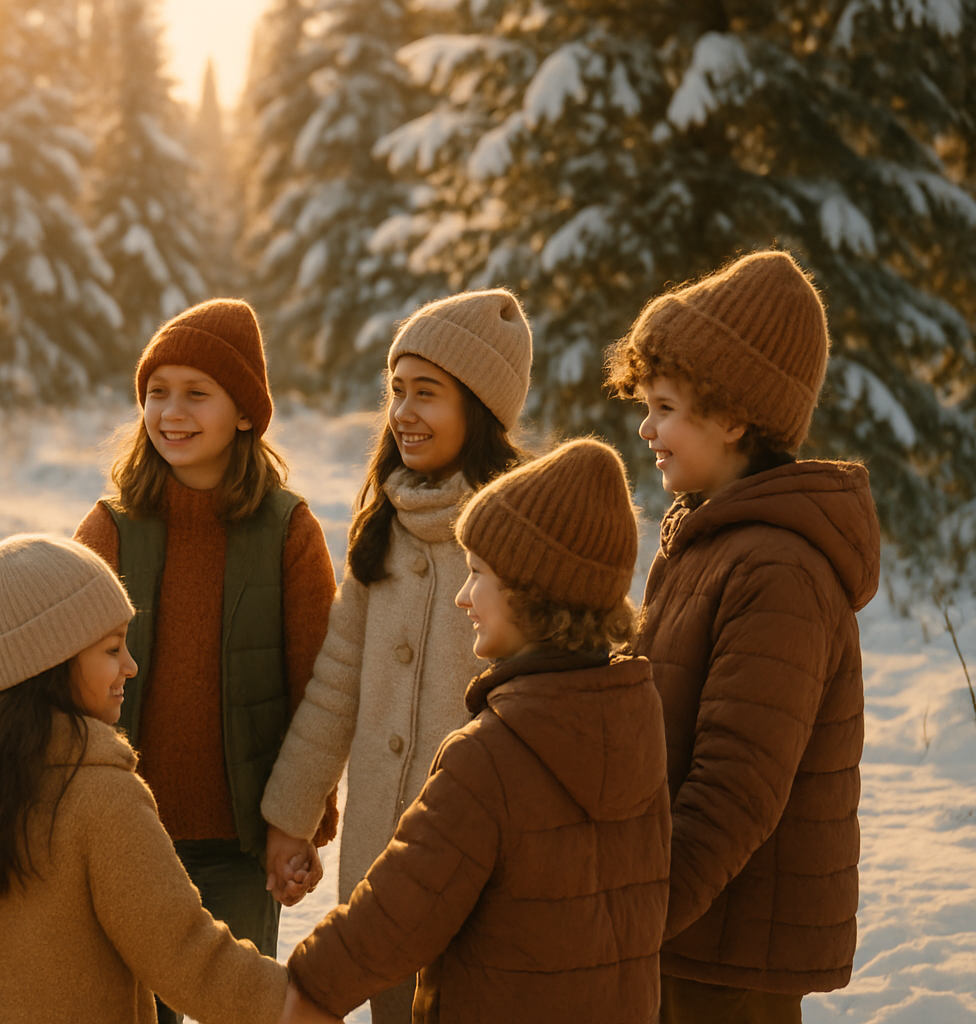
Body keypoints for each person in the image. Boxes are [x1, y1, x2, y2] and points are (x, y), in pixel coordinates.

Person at [0, 535, 340, 1024]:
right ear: (53, 661)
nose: (130, 667)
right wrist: (287, 1003)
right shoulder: (103, 796)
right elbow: (182, 950)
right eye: (112, 650)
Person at [285, 439, 671, 1023]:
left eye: (477, 574)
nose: (464, 596)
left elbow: (398, 912)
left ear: (529, 590)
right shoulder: (636, 725)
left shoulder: (488, 755)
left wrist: (308, 985)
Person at [604, 250, 880, 1023]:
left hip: (725, 953)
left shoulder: (778, 571)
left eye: (663, 407)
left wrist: (635, 921)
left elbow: (737, 786)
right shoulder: (708, 540)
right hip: (693, 933)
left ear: (732, 416)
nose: (645, 426)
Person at [258, 290, 531, 1022]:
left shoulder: (517, 538)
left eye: (428, 394)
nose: (404, 411)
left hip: (482, 872)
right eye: (396, 391)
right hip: (380, 873)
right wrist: (292, 815)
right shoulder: (385, 522)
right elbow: (336, 685)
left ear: (478, 406)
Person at [71, 299, 339, 1020]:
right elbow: (63, 687)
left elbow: (318, 688)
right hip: (130, 837)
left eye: (197, 393)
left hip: (241, 843)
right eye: (158, 392)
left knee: (241, 1005)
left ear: (245, 413)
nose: (172, 412)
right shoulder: (111, 528)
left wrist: (300, 820)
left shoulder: (288, 530)